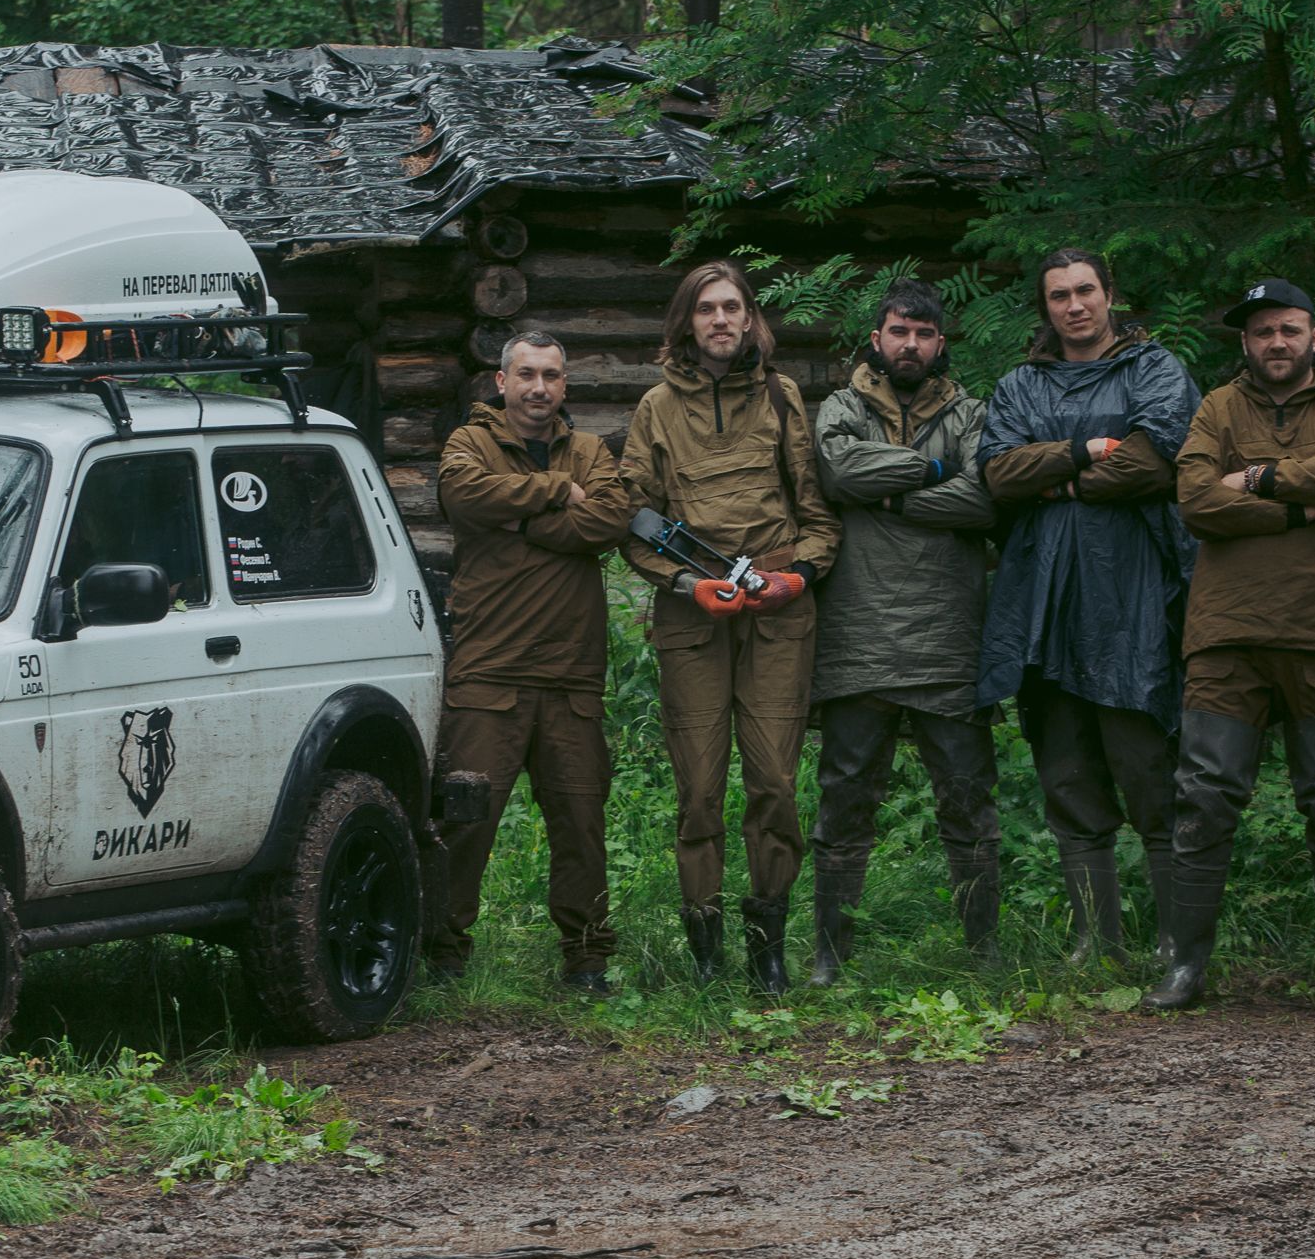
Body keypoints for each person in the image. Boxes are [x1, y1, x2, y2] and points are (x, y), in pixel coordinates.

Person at [1141, 278, 1315, 1019]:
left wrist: (1261, 477)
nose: (1276, 342)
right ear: (1244, 343)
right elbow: (1196, 501)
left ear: (1313, 334)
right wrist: (1302, 513)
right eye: (1261, 332)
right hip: (1228, 635)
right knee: (1205, 800)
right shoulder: (1218, 407)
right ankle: (1186, 968)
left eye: (1289, 328)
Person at [977, 248, 1201, 965]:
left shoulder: (1155, 370)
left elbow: (1156, 462)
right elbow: (999, 472)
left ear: (1110, 294)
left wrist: (1063, 480)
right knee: (1067, 776)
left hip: (1131, 600)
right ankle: (1094, 939)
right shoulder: (1020, 385)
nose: (1074, 305)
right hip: (1042, 603)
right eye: (1058, 295)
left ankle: (1176, 938)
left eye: (1085, 291)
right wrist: (1082, 450)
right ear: (1044, 307)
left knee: (1150, 775)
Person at [622, 261, 841, 993]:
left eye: (733, 307)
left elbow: (817, 518)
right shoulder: (656, 407)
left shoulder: (782, 396)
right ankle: (707, 950)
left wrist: (795, 577)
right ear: (686, 321)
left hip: (778, 615)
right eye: (706, 309)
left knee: (775, 781)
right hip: (694, 617)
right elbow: (634, 525)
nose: (721, 320)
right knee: (698, 789)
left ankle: (767, 946)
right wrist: (688, 582)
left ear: (750, 319)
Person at [427, 333, 634, 993]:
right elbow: (464, 497)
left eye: (550, 376)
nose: (539, 387)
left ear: (565, 385)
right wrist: (553, 491)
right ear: (501, 380)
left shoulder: (592, 451)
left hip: (572, 675)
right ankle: (440, 953)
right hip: (489, 670)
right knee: (464, 823)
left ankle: (587, 960)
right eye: (526, 374)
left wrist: (516, 519)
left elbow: (608, 521)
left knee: (581, 826)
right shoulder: (469, 444)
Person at [806, 278, 999, 981]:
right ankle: (831, 952)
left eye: (922, 333)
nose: (909, 344)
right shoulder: (840, 407)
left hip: (949, 636)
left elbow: (986, 495)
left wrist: (886, 498)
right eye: (898, 331)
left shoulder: (974, 410)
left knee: (969, 799)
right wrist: (934, 473)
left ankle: (984, 950)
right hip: (859, 636)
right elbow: (837, 469)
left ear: (939, 342)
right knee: (846, 798)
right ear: (877, 338)